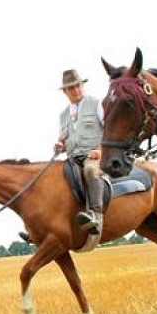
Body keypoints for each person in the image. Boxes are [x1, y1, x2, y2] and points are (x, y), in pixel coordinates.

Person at [55, 69, 105, 233]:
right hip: (72, 158)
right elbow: (64, 138)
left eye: (78, 86)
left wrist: (99, 150)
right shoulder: (63, 115)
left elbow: (110, 130)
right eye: (71, 88)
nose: (76, 90)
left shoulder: (96, 104)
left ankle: (96, 215)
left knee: (90, 170)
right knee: (51, 178)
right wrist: (59, 145)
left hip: (93, 156)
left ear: (82, 85)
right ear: (64, 91)